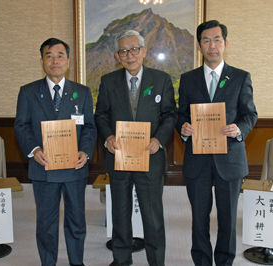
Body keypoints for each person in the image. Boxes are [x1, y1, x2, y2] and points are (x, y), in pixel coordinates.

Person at [176, 20, 257, 266]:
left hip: (229, 159)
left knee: (227, 219)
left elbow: (250, 115)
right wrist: (184, 128)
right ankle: (201, 261)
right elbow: (181, 114)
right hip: (197, 159)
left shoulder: (241, 77)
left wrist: (238, 129)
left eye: (217, 40)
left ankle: (224, 262)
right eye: (206, 40)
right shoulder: (188, 79)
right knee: (199, 218)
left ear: (225, 43)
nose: (212, 46)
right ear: (199, 45)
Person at [94, 30, 177, 266]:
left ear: (144, 52)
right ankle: (121, 259)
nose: (129, 55)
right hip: (119, 157)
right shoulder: (108, 82)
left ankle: (156, 261)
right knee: (119, 214)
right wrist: (108, 137)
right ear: (117, 56)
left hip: (150, 157)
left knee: (152, 216)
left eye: (134, 49)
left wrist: (158, 139)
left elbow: (170, 114)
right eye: (123, 51)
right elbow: (100, 115)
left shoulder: (161, 80)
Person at [14, 38, 97, 266]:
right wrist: (33, 149)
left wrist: (85, 152)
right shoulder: (29, 92)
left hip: (74, 168)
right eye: (49, 56)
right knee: (46, 223)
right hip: (43, 168)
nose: (55, 60)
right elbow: (20, 125)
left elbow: (89, 127)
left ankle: (76, 263)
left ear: (68, 61)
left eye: (60, 55)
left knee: (76, 221)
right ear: (42, 61)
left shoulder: (82, 92)